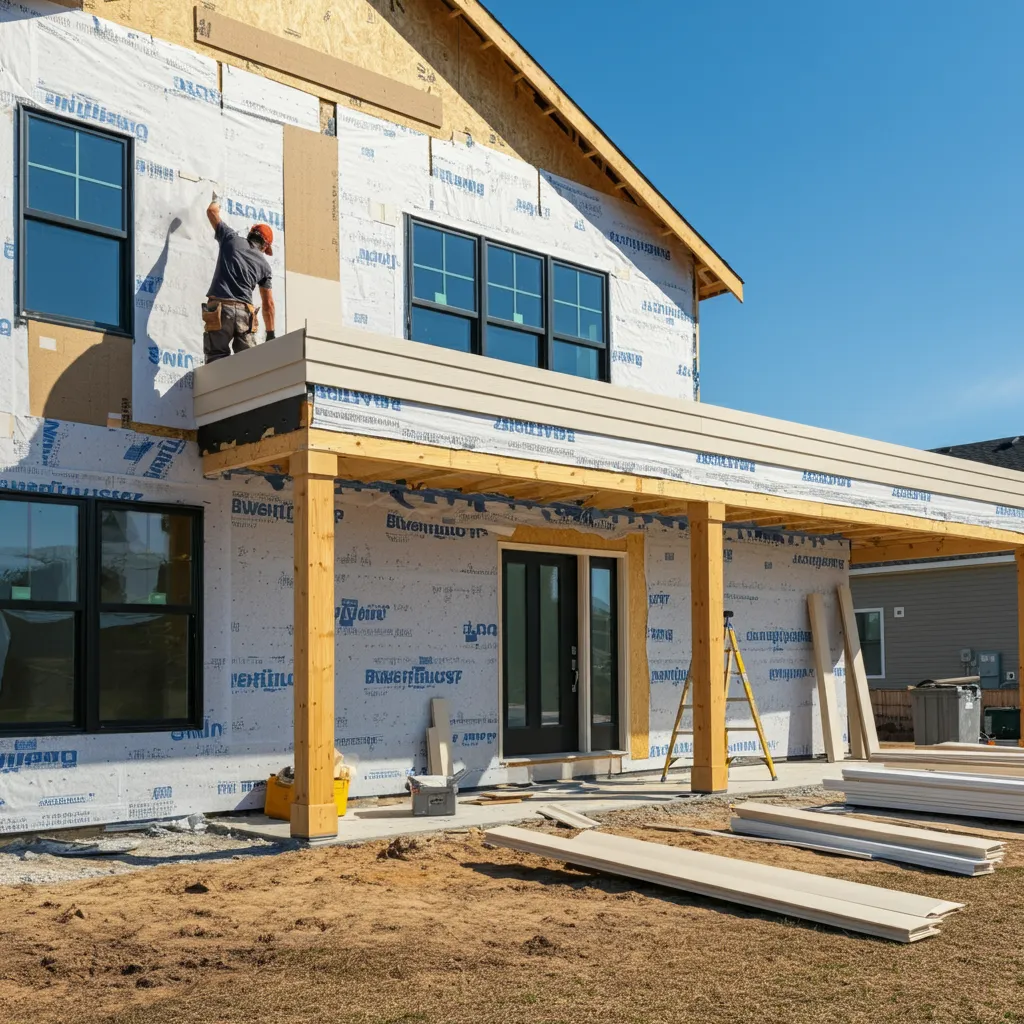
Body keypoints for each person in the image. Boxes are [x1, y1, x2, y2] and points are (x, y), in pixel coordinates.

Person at [202, 196, 276, 362]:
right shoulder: (265, 266)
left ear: (250, 234)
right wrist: (270, 334)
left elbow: (212, 211)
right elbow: (268, 304)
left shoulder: (230, 238)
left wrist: (216, 198)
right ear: (265, 246)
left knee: (216, 359)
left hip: (220, 310)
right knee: (248, 364)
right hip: (244, 313)